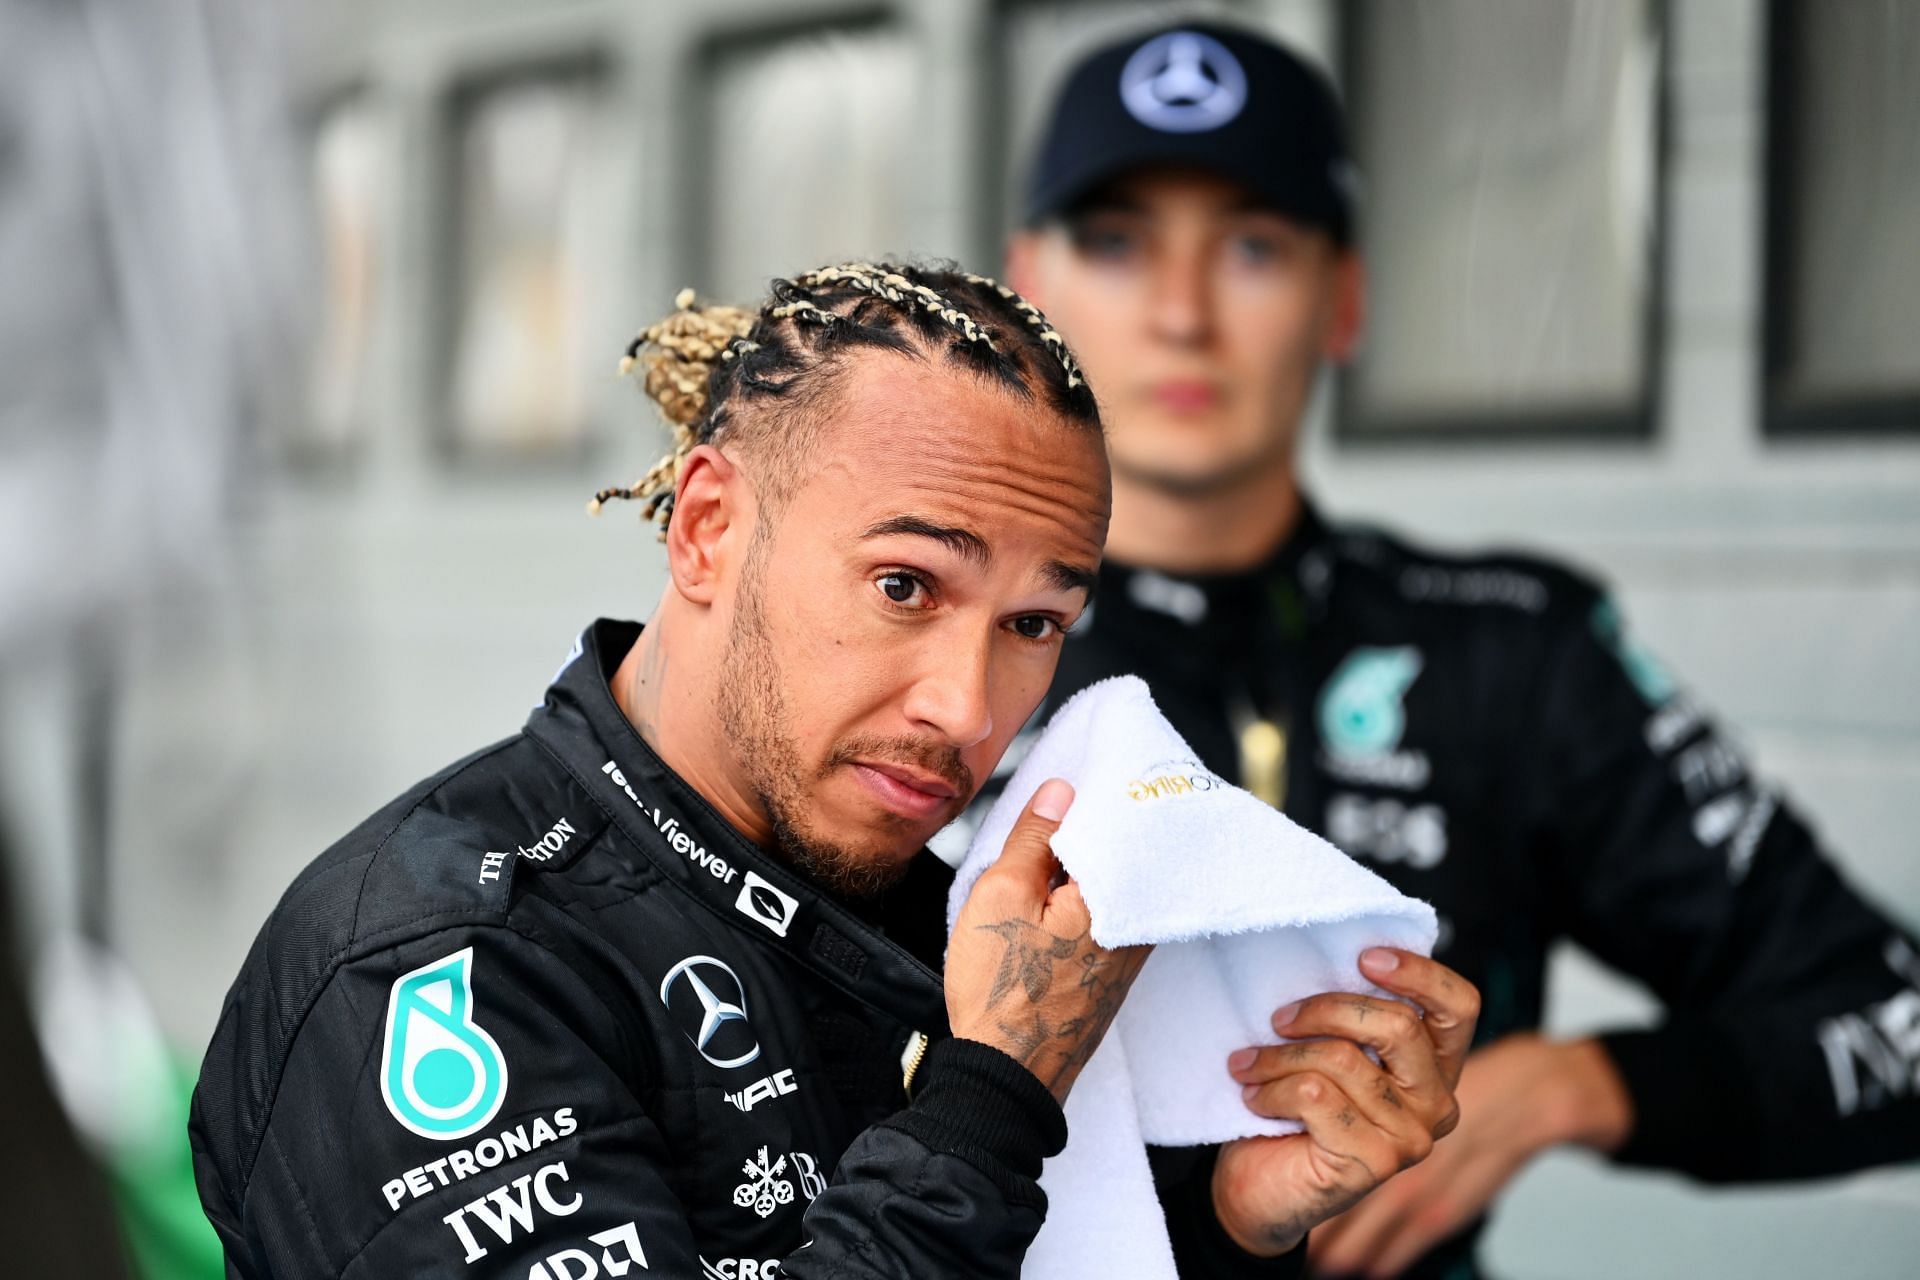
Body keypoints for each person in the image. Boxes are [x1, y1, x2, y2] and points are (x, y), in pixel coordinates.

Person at [189, 263, 1481, 1278]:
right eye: (906, 584)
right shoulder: (427, 966)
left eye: (1035, 622)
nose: (966, 706)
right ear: (708, 528)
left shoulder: (952, 924)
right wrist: (989, 1105)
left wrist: (1225, 1229)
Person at [984, 21, 1920, 1279]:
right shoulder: (912, 647)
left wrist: (1574, 1081)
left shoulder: (1506, 654)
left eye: (1253, 245)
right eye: (1117, 241)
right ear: (1023, 284)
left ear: (1347, 296)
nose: (1182, 312)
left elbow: (1891, 1020)